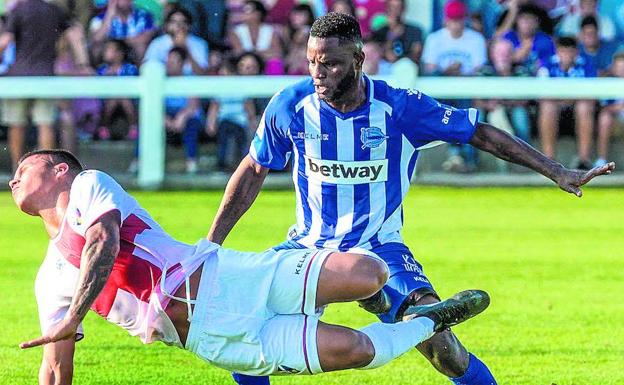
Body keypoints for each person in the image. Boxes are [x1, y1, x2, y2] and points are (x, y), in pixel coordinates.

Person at [206, 12, 615, 385]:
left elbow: (481, 134)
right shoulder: (291, 105)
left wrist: (556, 170)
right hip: (308, 245)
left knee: (444, 351)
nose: (319, 73)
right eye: (312, 62)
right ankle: (374, 297)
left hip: (380, 247)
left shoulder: (398, 107)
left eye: (330, 63)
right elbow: (253, 170)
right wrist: (211, 245)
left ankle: (387, 299)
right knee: (245, 332)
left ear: (358, 59)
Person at [11, 149, 490, 383]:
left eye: (23, 169)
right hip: (214, 340)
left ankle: (323, 293)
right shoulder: (48, 280)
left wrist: (75, 316)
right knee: (361, 349)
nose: (13, 179)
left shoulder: (89, 185)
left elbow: (102, 239)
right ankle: (429, 320)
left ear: (59, 170)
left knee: (371, 274)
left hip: (230, 279)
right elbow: (54, 367)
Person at [0, 0, 88, 171]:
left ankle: (18, 171)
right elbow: (74, 34)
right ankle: (45, 171)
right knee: (45, 123)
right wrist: (83, 64)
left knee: (16, 124)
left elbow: (5, 40)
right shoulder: (53, 10)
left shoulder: (18, 10)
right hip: (46, 75)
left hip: (20, 77)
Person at [537, 36, 596, 169]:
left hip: (578, 107)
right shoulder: (547, 65)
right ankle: (548, 160)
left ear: (576, 52)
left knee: (584, 106)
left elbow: (592, 92)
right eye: (563, 52)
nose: (567, 55)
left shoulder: (586, 64)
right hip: (555, 107)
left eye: (570, 52)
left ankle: (583, 160)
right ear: (557, 52)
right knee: (547, 106)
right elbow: (541, 92)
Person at [143, 6, 209, 75]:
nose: (179, 25)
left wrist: (186, 49)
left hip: (191, 83)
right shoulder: (157, 43)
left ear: (189, 26)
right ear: (167, 25)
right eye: (174, 22)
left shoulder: (200, 43)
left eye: (183, 21)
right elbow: (148, 69)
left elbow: (202, 74)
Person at [596, 51, 624, 167]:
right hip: (615, 120)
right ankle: (601, 160)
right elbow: (604, 106)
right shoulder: (608, 82)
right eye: (619, 67)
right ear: (613, 68)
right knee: (604, 117)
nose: (622, 70)